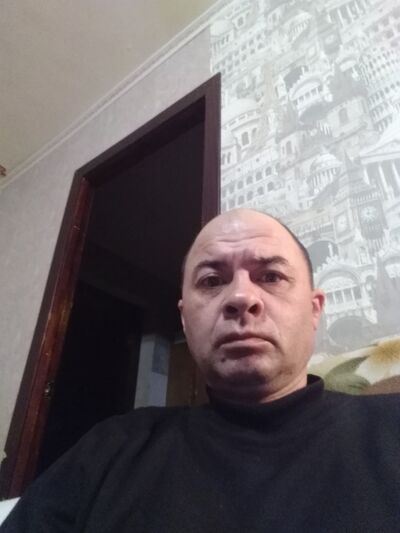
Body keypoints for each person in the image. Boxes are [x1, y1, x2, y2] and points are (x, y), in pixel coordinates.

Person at [2, 208, 400, 532]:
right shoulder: (110, 449)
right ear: (185, 319)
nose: (241, 296)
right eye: (212, 281)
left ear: (314, 310)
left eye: (271, 276)